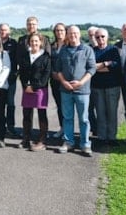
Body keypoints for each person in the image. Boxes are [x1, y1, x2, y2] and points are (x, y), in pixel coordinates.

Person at [55, 26, 96, 155]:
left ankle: (85, 144)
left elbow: (91, 69)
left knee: (84, 118)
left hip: (82, 90)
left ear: (79, 34)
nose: (73, 35)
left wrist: (81, 82)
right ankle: (69, 142)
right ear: (67, 35)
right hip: (66, 90)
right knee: (67, 118)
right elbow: (58, 70)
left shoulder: (87, 50)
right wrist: (64, 82)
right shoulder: (63, 51)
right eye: (70, 33)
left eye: (75, 33)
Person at [18, 33, 51, 151]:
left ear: (41, 42)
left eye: (36, 41)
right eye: (32, 41)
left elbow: (46, 75)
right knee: (26, 114)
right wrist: (25, 85)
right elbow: (21, 73)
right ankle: (26, 139)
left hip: (40, 89)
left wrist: (35, 87)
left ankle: (42, 140)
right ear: (29, 43)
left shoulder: (46, 56)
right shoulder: (25, 56)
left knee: (42, 114)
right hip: (26, 88)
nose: (34, 43)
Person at [92, 28, 123, 147]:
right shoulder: (92, 51)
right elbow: (90, 67)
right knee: (100, 112)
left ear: (107, 37)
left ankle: (111, 137)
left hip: (112, 86)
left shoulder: (113, 50)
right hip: (97, 87)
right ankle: (101, 137)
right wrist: (106, 64)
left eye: (102, 36)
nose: (100, 39)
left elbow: (116, 66)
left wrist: (99, 67)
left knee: (111, 112)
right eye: (98, 37)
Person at [0, 23, 20, 137]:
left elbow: (18, 59)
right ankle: (0, 126)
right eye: (1, 30)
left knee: (10, 103)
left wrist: (16, 73)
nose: (3, 32)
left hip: (10, 78)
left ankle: (10, 126)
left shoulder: (14, 43)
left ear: (9, 31)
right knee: (0, 103)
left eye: (5, 30)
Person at [50, 23, 67, 139]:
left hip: (66, 80)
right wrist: (52, 73)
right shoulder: (52, 46)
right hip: (54, 80)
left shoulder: (69, 45)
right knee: (59, 105)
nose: (59, 32)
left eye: (61, 30)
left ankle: (68, 130)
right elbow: (48, 61)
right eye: (57, 30)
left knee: (67, 106)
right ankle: (62, 128)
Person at [86, 26, 99, 137]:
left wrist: (93, 66)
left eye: (95, 34)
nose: (93, 37)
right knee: (89, 109)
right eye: (90, 35)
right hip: (88, 84)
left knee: (101, 109)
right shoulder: (87, 49)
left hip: (102, 84)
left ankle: (102, 130)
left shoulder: (106, 48)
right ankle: (94, 129)